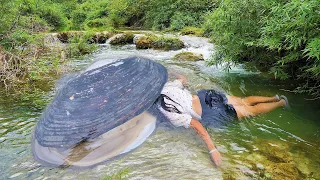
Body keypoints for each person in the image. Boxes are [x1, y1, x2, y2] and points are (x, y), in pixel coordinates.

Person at [157, 72, 289, 167]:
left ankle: (281, 103)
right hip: (207, 96)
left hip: (212, 112)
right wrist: (170, 71)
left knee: (250, 111)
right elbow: (182, 78)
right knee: (244, 101)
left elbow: (197, 125)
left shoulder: (165, 108)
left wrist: (213, 150)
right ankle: (274, 98)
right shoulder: (167, 87)